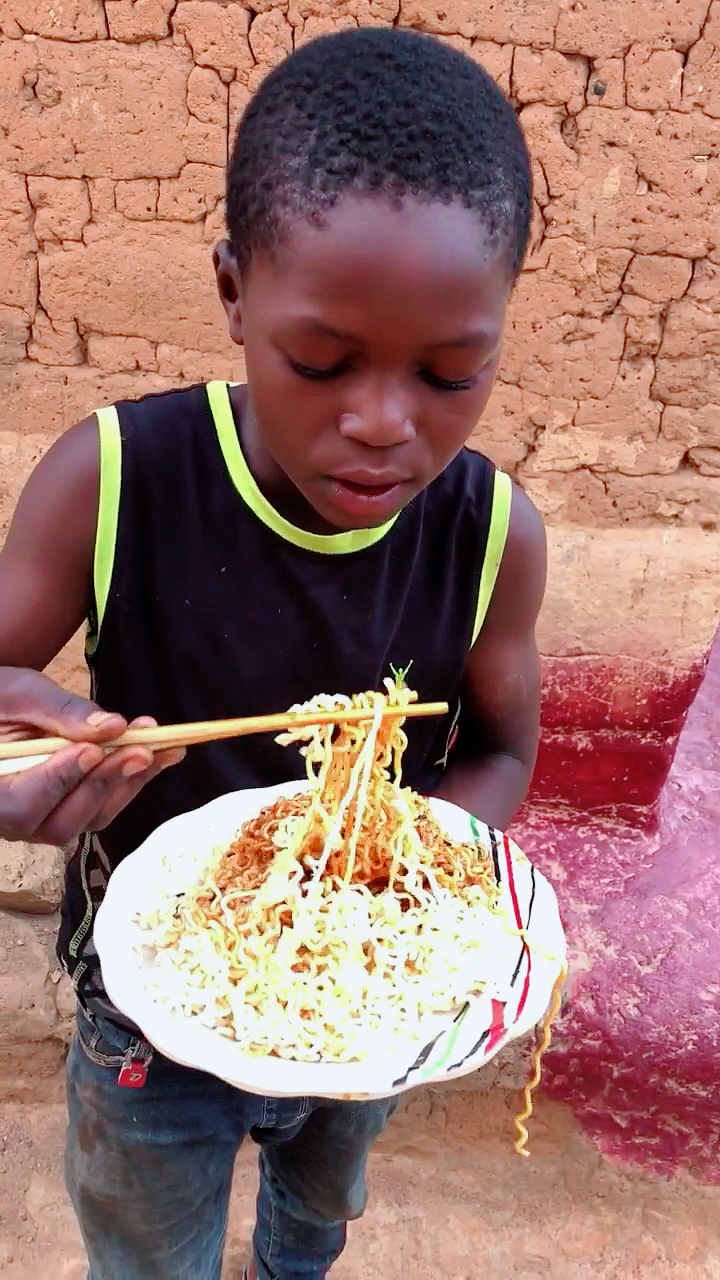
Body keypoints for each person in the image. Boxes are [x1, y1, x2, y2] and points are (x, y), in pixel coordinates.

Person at [0, 27, 546, 1280]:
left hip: (362, 1000)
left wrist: (407, 873)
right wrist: (22, 773)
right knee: (148, 1248)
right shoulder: (113, 478)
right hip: (149, 1005)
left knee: (320, 1206)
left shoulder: (494, 536)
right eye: (320, 362)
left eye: (455, 374)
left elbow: (506, 749)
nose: (382, 423)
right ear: (234, 291)